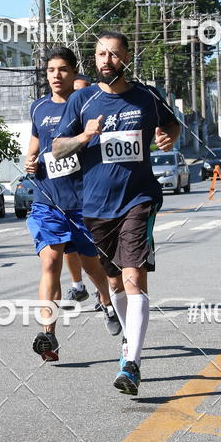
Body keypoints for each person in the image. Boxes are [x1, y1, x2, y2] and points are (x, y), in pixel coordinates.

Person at [52, 31, 181, 395]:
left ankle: (131, 363)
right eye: (100, 54)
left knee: (133, 276)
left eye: (113, 54)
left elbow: (172, 124)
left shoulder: (147, 96)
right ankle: (129, 341)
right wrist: (83, 137)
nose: (106, 60)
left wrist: (169, 137)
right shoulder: (82, 99)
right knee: (113, 283)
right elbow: (58, 148)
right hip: (96, 206)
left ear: (126, 57)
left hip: (139, 199)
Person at [25, 48, 120, 362]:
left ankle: (106, 302)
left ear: (74, 71)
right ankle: (48, 335)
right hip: (47, 200)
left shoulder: (89, 106)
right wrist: (30, 159)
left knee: (93, 267)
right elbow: (35, 144)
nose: (56, 75)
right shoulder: (38, 107)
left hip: (83, 202)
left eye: (63, 69)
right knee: (50, 263)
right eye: (51, 70)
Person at [63, 72, 94, 303]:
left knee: (95, 248)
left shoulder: (94, 117)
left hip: (93, 194)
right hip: (66, 194)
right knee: (68, 245)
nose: (77, 95)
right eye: (74, 91)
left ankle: (106, 292)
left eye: (82, 91)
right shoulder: (61, 118)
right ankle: (78, 286)